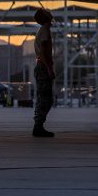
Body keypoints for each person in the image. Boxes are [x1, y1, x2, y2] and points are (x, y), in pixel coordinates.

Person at [32, 8, 55, 138]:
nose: (50, 12)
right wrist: (49, 69)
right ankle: (38, 126)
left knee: (45, 98)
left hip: (41, 66)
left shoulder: (43, 30)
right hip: (43, 67)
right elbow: (43, 52)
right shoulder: (45, 30)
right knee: (45, 99)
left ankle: (38, 125)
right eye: (47, 12)